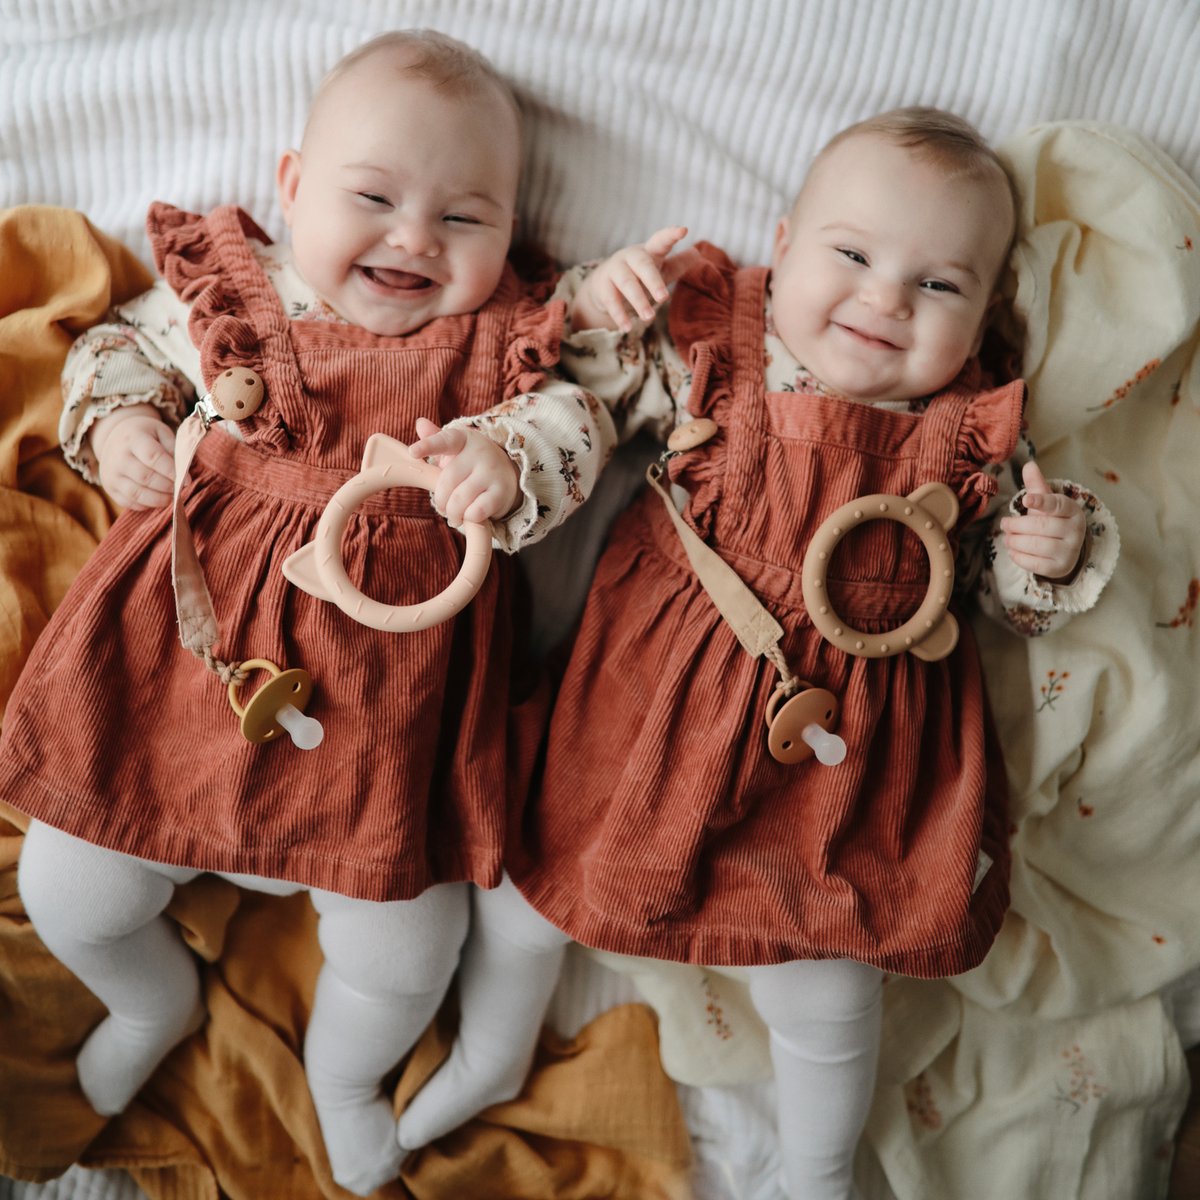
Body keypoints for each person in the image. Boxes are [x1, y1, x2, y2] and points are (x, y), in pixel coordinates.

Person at [398, 108, 1120, 1198]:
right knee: (525, 896)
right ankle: (495, 1051)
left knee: (828, 983)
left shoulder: (974, 433)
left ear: (986, 313)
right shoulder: (713, 348)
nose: (885, 300)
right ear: (781, 244)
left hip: (845, 750)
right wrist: (517, 442)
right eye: (854, 255)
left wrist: (1043, 556)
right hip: (648, 704)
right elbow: (577, 408)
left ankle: (817, 1171)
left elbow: (997, 602)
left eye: (939, 287)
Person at [1, 30, 612, 1197]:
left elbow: (576, 428)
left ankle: (344, 1076)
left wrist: (505, 465)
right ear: (291, 190)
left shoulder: (499, 350)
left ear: (512, 234)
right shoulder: (237, 299)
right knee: (66, 891)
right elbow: (112, 349)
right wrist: (123, 424)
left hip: (390, 730)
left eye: (465, 218)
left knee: (406, 954)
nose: (413, 239)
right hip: (185, 677)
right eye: (374, 197)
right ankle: (149, 999)